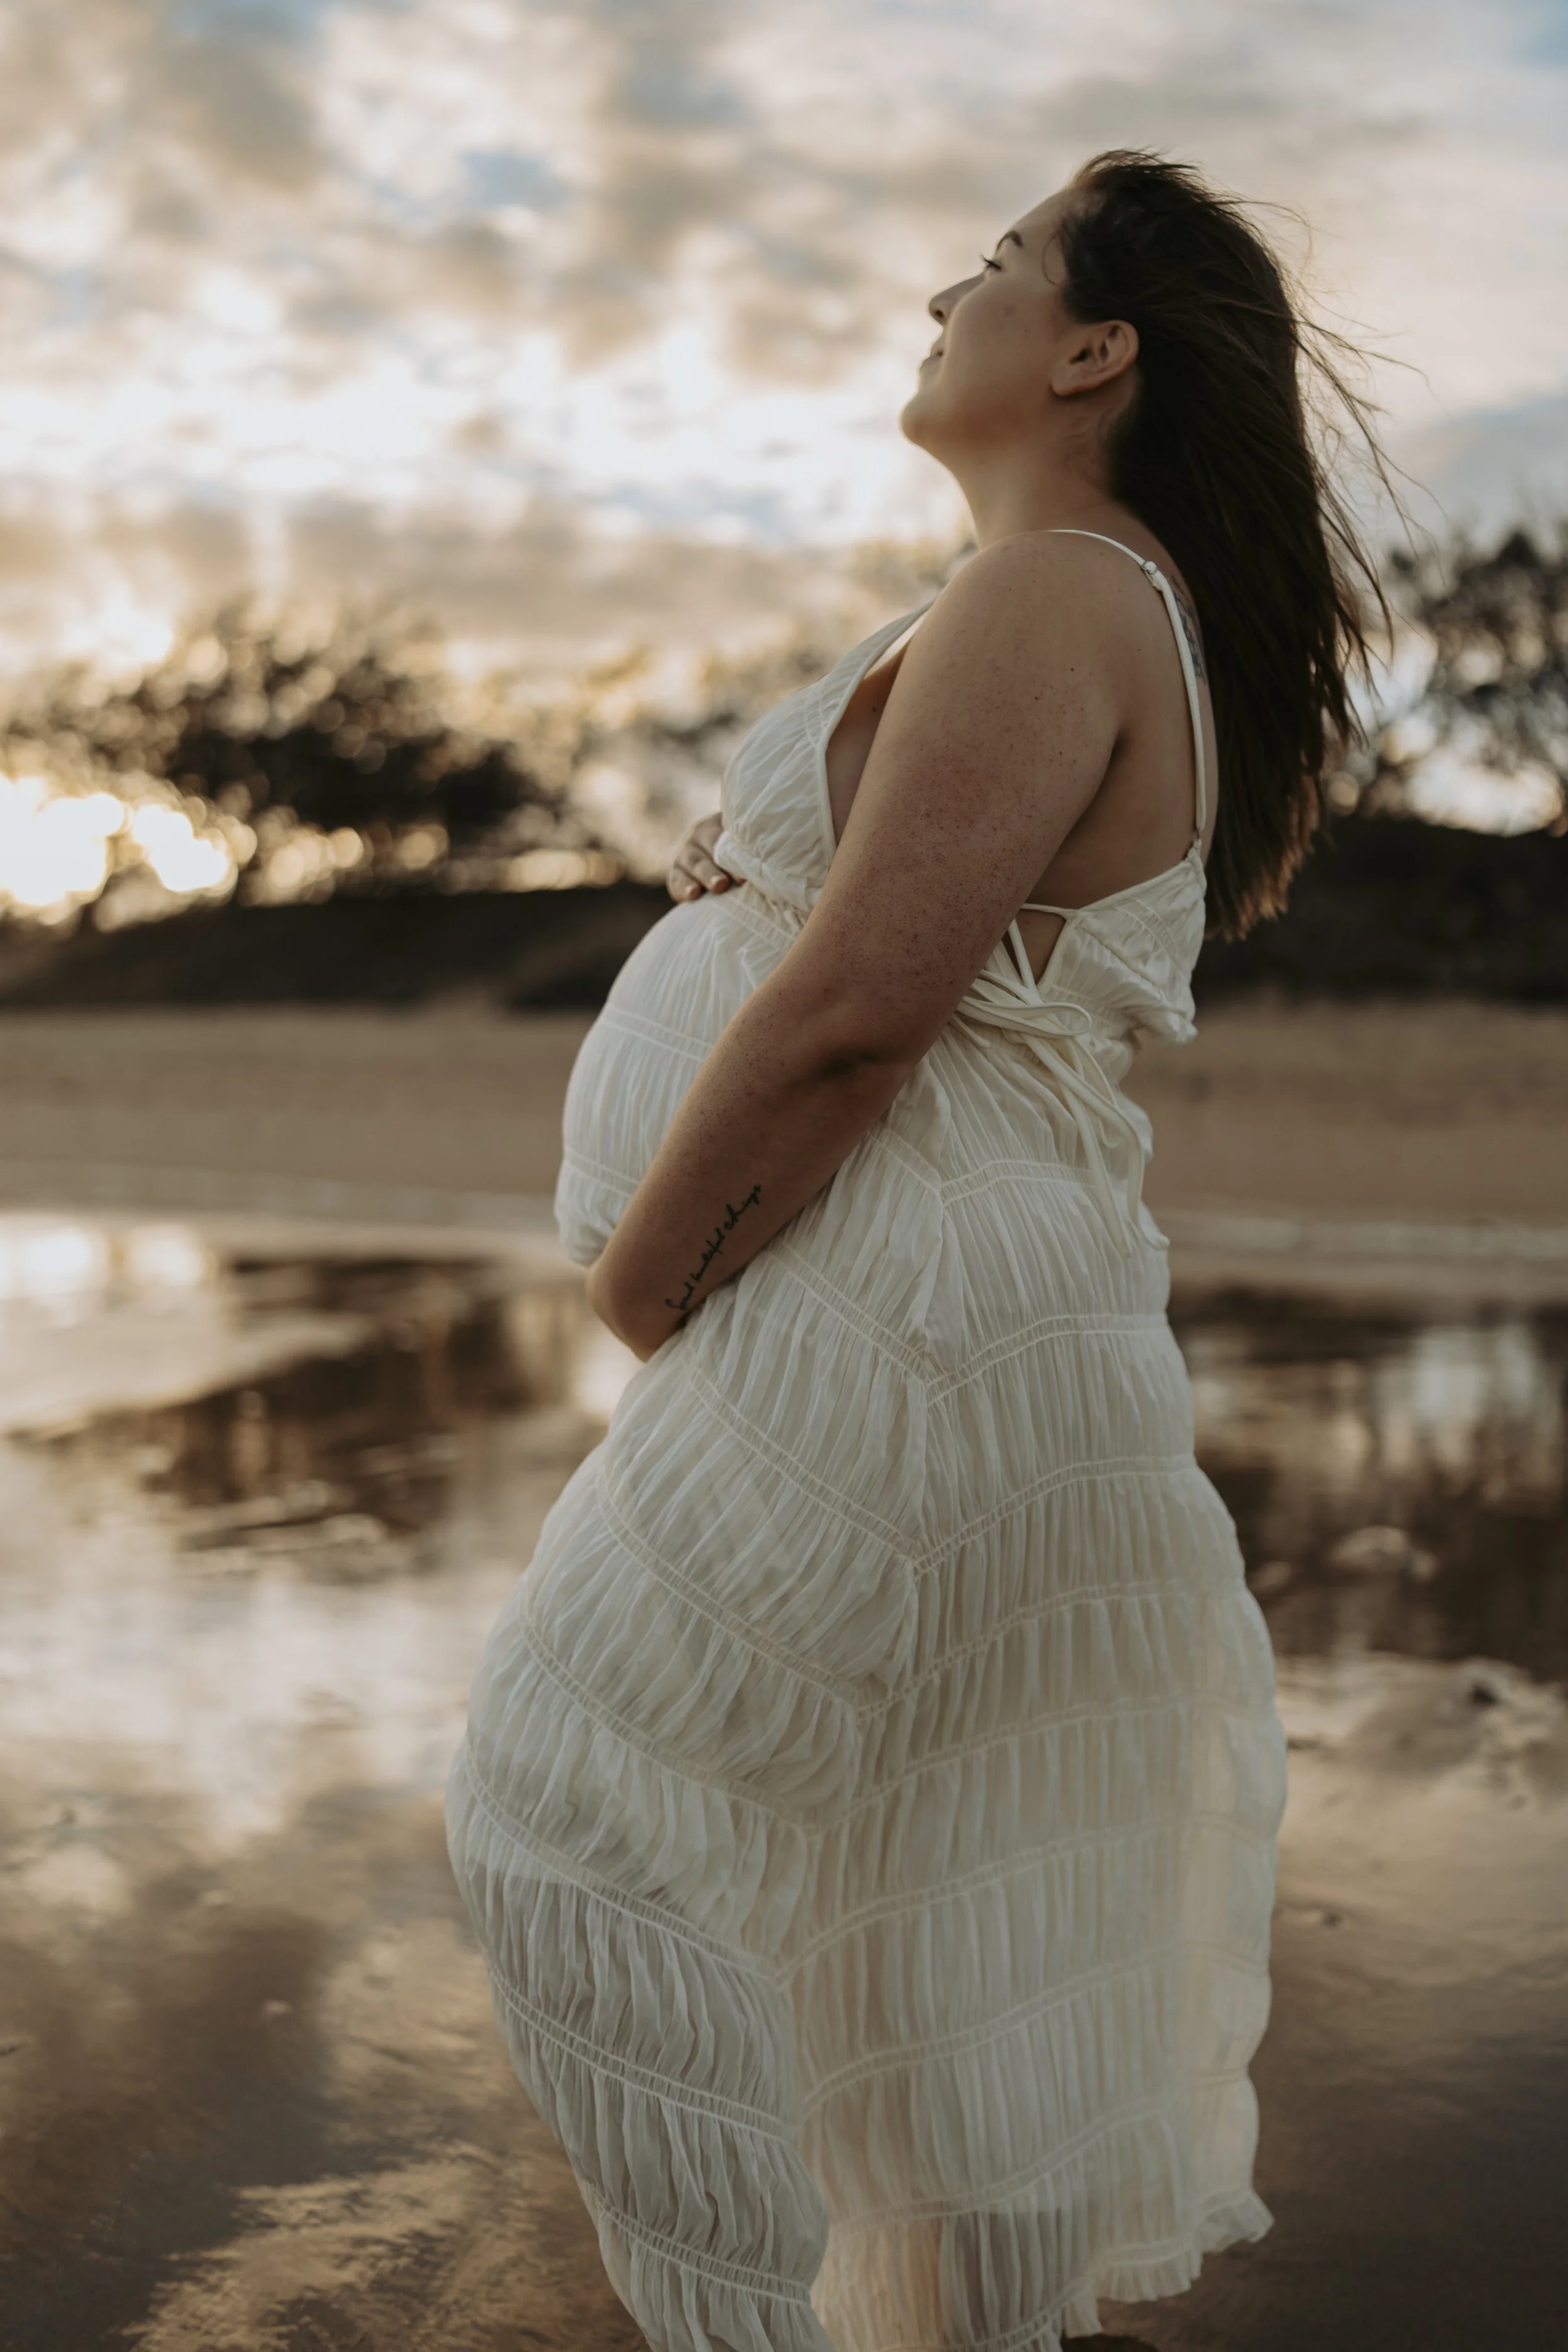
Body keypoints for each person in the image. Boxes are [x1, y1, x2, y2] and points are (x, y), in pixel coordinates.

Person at [447, 149, 1389, 2352]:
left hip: (913, 1298)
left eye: (991, 267)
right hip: (976, 1297)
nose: (937, 294)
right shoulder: (1064, 594)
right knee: (919, 1953)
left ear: (1089, 350)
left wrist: (636, 1277)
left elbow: (866, 1008)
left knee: (561, 1813)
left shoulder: (1059, 583)